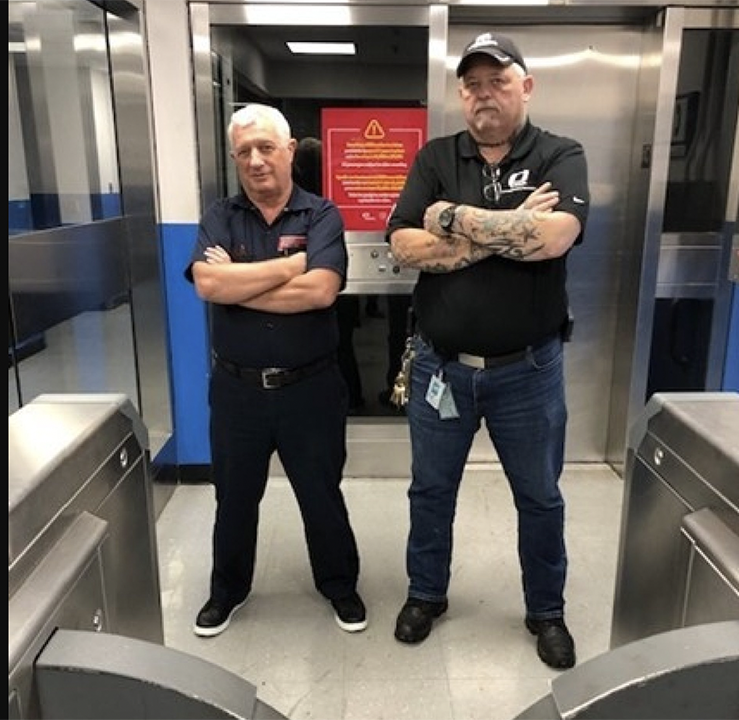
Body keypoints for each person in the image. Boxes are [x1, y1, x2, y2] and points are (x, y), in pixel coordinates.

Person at [383, 32, 589, 670]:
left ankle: (546, 610)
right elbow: (403, 246)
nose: (483, 94)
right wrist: (503, 229)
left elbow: (554, 237)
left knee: (540, 496)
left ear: (525, 86)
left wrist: (451, 217)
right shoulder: (435, 157)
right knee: (430, 490)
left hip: (527, 372)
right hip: (442, 367)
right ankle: (426, 594)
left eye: (498, 80)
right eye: (471, 83)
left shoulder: (561, 153)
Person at [184, 104, 367, 637]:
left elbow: (321, 291)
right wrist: (290, 266)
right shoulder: (220, 215)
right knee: (234, 497)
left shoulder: (322, 215)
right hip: (237, 390)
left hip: (310, 388)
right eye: (244, 152)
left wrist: (240, 282)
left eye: (266, 148)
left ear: (290, 150)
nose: (256, 161)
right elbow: (208, 286)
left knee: (321, 494)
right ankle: (228, 591)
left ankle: (339, 585)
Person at [293, 135, 368, 413]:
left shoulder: (317, 208)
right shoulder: (331, 191)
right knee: (344, 342)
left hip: (328, 278)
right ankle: (353, 398)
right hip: (339, 275)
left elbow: (320, 290)